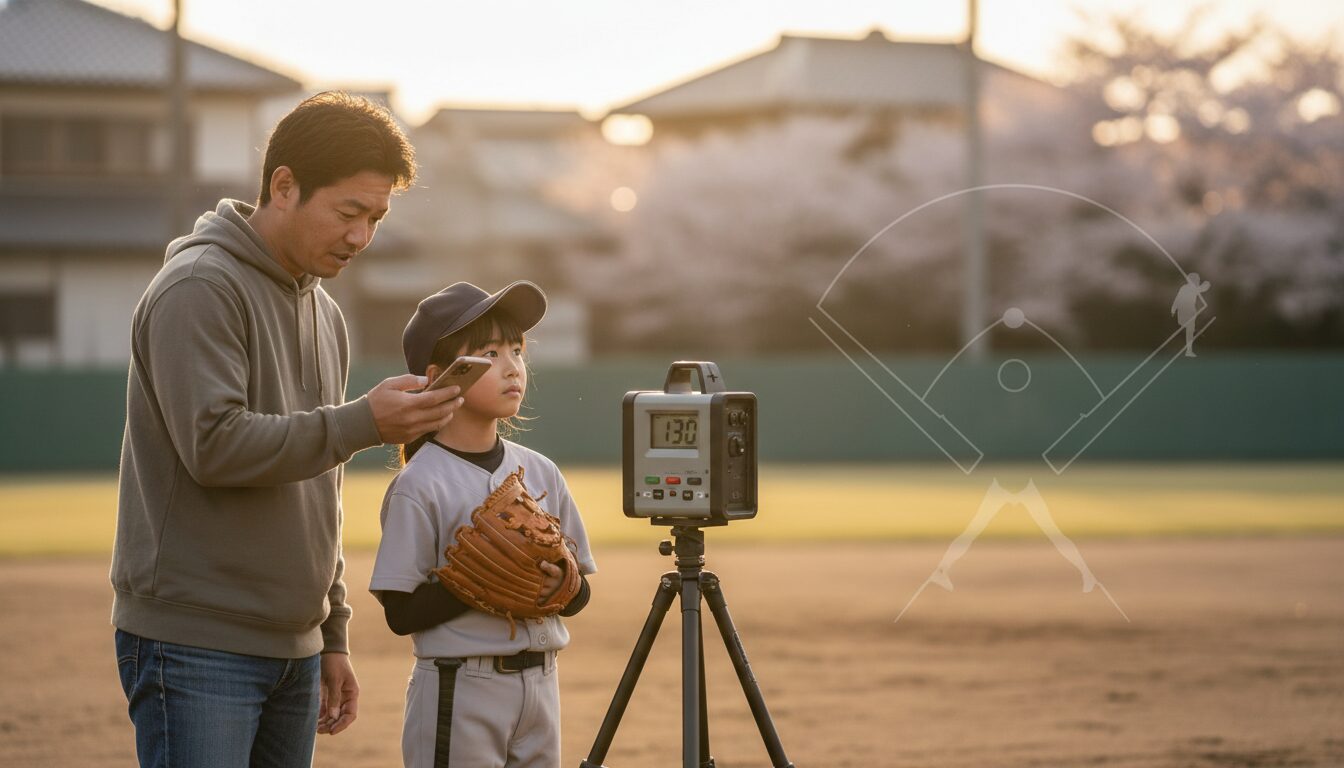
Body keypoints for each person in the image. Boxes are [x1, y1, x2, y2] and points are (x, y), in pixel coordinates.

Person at [110, 91, 467, 768]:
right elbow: (214, 447)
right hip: (196, 643)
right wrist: (364, 421)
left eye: (376, 218)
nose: (361, 237)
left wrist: (331, 630)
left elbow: (319, 490)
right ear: (283, 186)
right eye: (348, 213)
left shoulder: (325, 313)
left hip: (296, 648)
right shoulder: (199, 286)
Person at [370, 280, 597, 768]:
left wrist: (563, 583)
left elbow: (580, 594)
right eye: (490, 354)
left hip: (542, 684)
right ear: (442, 377)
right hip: (460, 686)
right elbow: (400, 613)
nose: (512, 366)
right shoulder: (420, 482)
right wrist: (479, 578)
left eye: (516, 351)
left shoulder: (540, 472)